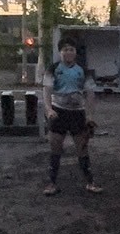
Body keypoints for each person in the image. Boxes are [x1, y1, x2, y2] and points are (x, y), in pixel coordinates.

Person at [42, 37, 101, 196]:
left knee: (82, 148)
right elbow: (46, 91)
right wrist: (49, 109)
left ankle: (90, 182)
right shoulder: (53, 69)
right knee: (55, 148)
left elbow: (90, 94)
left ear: (75, 52)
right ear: (60, 52)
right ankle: (52, 183)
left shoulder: (83, 70)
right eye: (65, 49)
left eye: (71, 49)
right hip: (58, 112)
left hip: (77, 113)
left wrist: (90, 115)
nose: (68, 52)